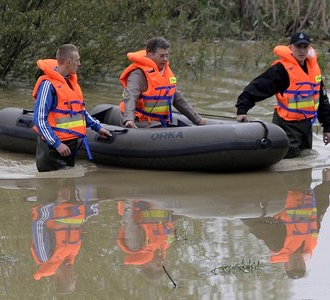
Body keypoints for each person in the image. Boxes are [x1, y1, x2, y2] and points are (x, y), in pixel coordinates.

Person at [235, 32, 330, 158]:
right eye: (298, 47)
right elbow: (258, 87)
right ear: (291, 48)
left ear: (309, 48)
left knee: (305, 162)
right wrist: (242, 109)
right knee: (287, 160)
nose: (302, 50)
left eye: (305, 47)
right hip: (287, 125)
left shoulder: (313, 69)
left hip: (307, 126)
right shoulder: (281, 70)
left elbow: (321, 99)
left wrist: (328, 127)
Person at [242, 168, 330, 279]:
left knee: (286, 164)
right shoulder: (310, 242)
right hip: (304, 186)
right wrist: (327, 183)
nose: (298, 263)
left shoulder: (278, 244)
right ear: (304, 264)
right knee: (303, 160)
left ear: (286, 265)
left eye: (294, 266)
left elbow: (255, 225)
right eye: (301, 266)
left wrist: (238, 209)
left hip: (281, 187)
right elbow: (320, 209)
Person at [32, 44, 111, 172]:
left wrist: (97, 127)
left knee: (68, 187)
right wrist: (57, 144)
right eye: (77, 60)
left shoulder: (71, 83)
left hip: (70, 145)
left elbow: (80, 111)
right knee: (52, 188)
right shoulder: (48, 85)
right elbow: (39, 119)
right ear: (68, 62)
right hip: (52, 148)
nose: (79, 64)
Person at [30, 178, 99, 294]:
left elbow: (38, 222)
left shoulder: (45, 256)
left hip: (51, 197)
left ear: (61, 278)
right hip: (75, 199)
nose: (75, 275)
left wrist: (57, 201)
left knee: (52, 173)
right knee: (78, 174)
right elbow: (77, 223)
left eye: (73, 279)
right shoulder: (72, 254)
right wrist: (92, 208)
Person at [119, 37, 206, 128]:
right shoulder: (138, 73)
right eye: (161, 56)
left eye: (167, 55)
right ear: (149, 55)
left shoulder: (165, 72)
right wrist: (129, 119)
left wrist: (197, 119)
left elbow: (177, 99)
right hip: (139, 120)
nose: (165, 59)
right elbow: (131, 96)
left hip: (158, 120)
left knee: (183, 127)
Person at [117, 200, 176, 281]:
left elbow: (128, 220)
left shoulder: (136, 247)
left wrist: (128, 198)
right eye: (163, 264)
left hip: (139, 197)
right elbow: (171, 220)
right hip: (163, 199)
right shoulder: (165, 245)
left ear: (146, 265)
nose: (162, 261)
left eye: (158, 265)